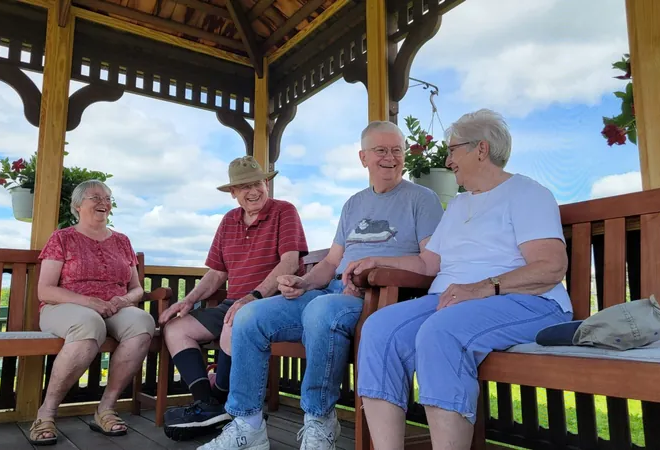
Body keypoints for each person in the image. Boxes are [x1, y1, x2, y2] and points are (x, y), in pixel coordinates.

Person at [198, 121, 445, 450]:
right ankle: (248, 424)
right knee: (250, 316)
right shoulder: (354, 204)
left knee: (320, 310)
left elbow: (431, 262)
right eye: (381, 150)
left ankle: (319, 420)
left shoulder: (422, 199)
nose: (391, 157)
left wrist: (376, 265)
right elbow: (330, 263)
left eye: (397, 150)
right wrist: (302, 281)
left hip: (381, 297)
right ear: (363, 157)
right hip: (332, 293)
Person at [344, 109, 573, 450]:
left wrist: (483, 288)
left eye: (453, 150)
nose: (448, 160)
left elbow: (551, 266)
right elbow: (427, 263)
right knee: (380, 329)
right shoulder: (459, 205)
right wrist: (375, 259)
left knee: (441, 331)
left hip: (529, 301)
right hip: (452, 301)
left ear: (481, 149)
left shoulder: (527, 193)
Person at [158, 156, 308, 440]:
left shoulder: (284, 211)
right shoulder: (228, 221)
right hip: (234, 302)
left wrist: (253, 296)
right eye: (244, 186)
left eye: (257, 183)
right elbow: (216, 272)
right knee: (176, 328)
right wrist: (188, 300)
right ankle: (207, 404)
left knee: (234, 321)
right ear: (233, 193)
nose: (253, 191)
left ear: (266, 183)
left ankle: (220, 397)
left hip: (271, 301)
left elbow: (289, 263)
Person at [29, 180, 156, 445]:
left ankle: (105, 408)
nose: (103, 202)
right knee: (89, 324)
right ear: (77, 206)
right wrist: (89, 302)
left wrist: (123, 300)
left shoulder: (122, 241)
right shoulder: (62, 238)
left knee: (143, 322)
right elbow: (46, 290)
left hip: (114, 307)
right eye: (95, 197)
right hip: (65, 308)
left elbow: (136, 289)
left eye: (107, 198)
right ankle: (46, 413)